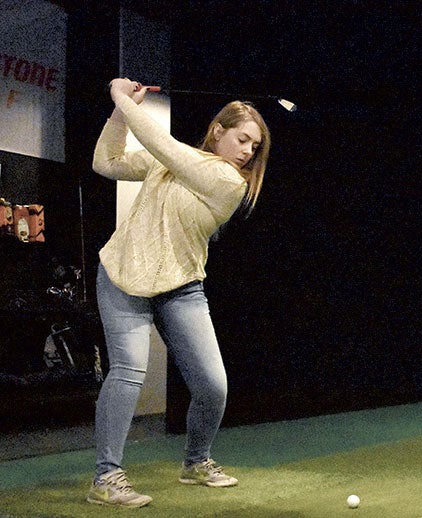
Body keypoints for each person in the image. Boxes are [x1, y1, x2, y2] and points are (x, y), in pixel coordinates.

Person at [87, 77, 271, 508]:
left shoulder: (230, 182)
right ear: (218, 130)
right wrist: (119, 114)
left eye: (254, 147)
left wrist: (118, 97)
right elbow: (105, 161)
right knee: (129, 370)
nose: (247, 151)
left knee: (213, 386)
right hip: (123, 274)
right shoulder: (171, 162)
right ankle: (106, 477)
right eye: (242, 139)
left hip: (182, 287)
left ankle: (196, 461)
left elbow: (161, 144)